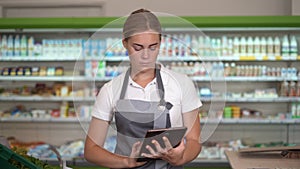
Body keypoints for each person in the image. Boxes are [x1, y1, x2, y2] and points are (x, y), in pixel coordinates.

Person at [84, 8, 202, 169]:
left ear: (161, 43)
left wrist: (180, 158)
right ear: (125, 43)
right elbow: (91, 150)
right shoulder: (110, 90)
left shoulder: (182, 84)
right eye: (138, 48)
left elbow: (194, 141)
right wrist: (126, 162)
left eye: (153, 47)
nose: (146, 56)